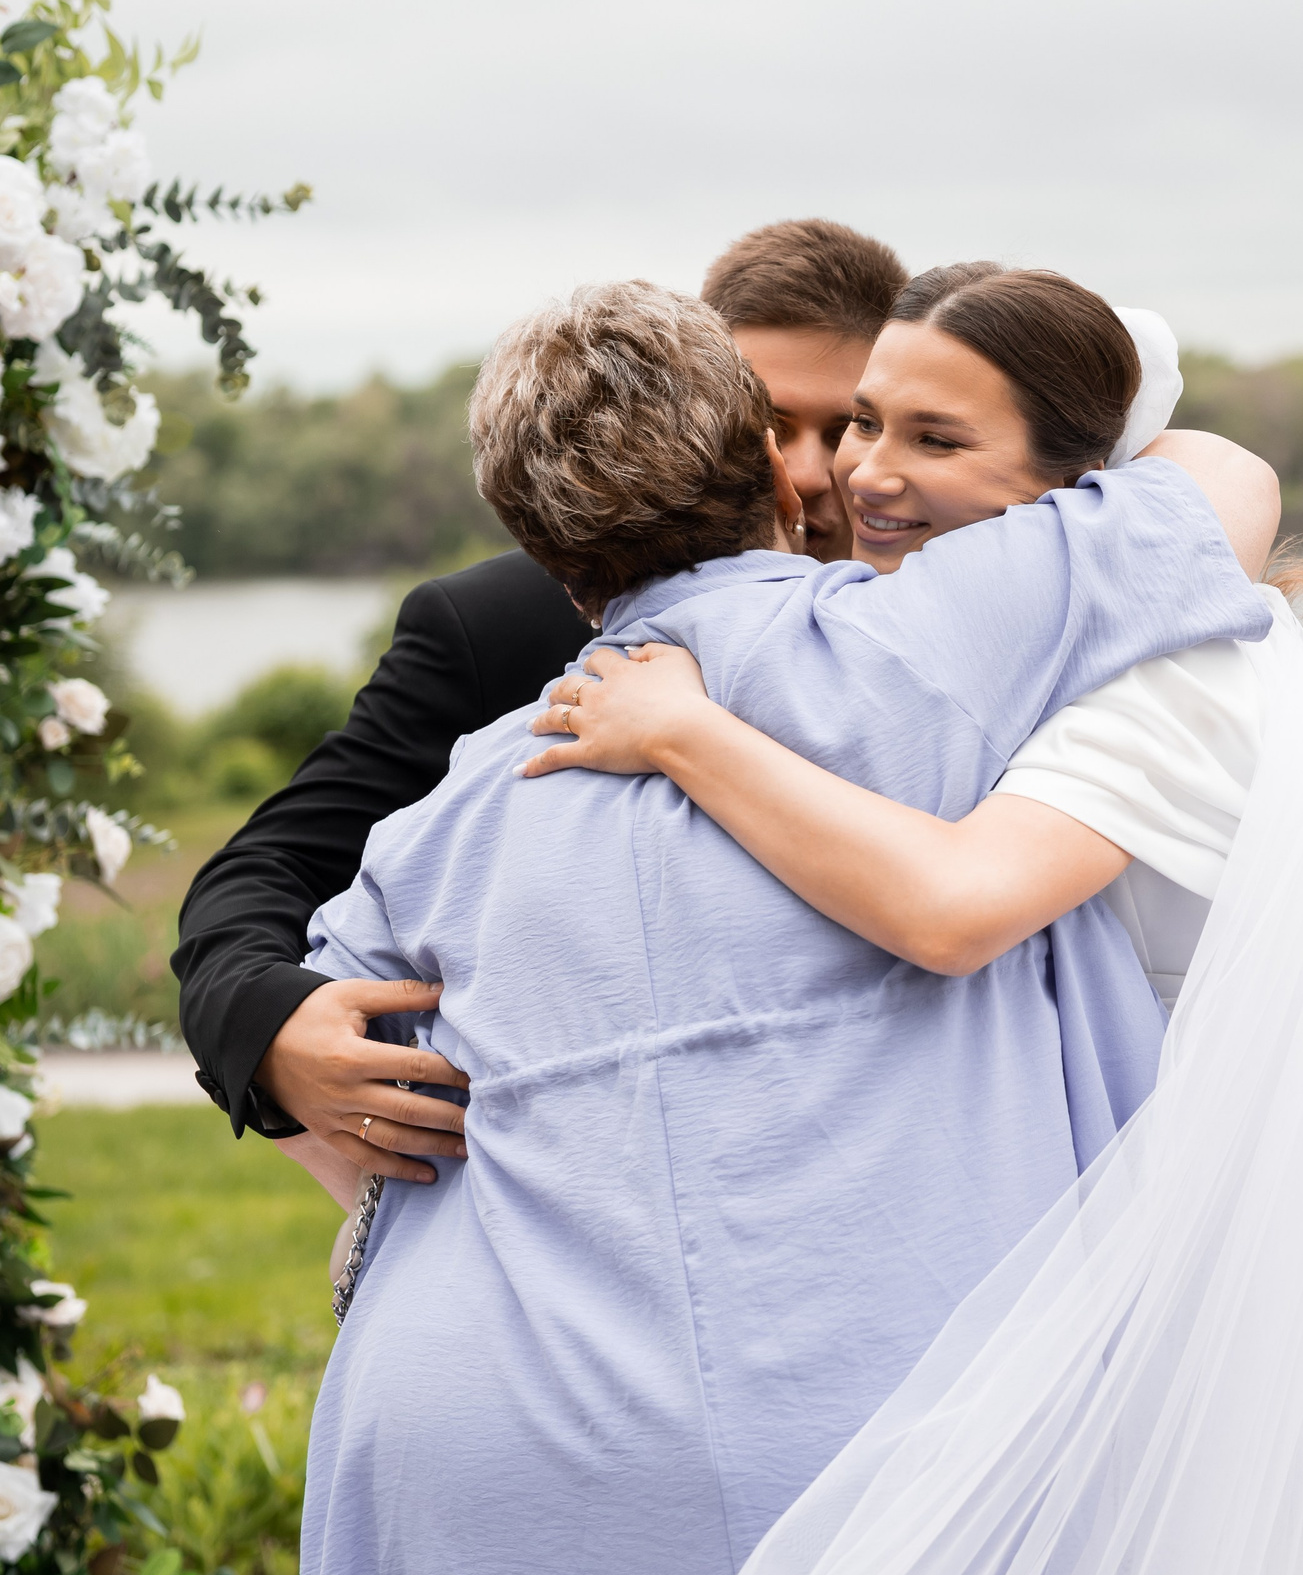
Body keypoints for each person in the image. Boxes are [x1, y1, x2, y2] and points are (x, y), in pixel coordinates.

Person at [524, 263, 1303, 1575]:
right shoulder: (977, 642)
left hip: (1236, 1202)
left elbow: (951, 909)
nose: (863, 472)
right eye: (866, 420)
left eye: (937, 440)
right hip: (1088, 1189)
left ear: (1081, 487)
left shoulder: (1171, 671)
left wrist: (687, 735)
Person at [286, 276, 1279, 1575]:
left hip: (458, 1436)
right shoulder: (942, 634)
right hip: (857, 1435)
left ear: (541, 545)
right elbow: (1225, 485)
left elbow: (336, 1094)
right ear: (772, 463)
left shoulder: (446, 816)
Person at [168, 218, 906, 1163]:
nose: (807, 468)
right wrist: (274, 1031)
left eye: (849, 428)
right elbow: (269, 868)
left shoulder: (965, 613)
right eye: (773, 425)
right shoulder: (497, 625)